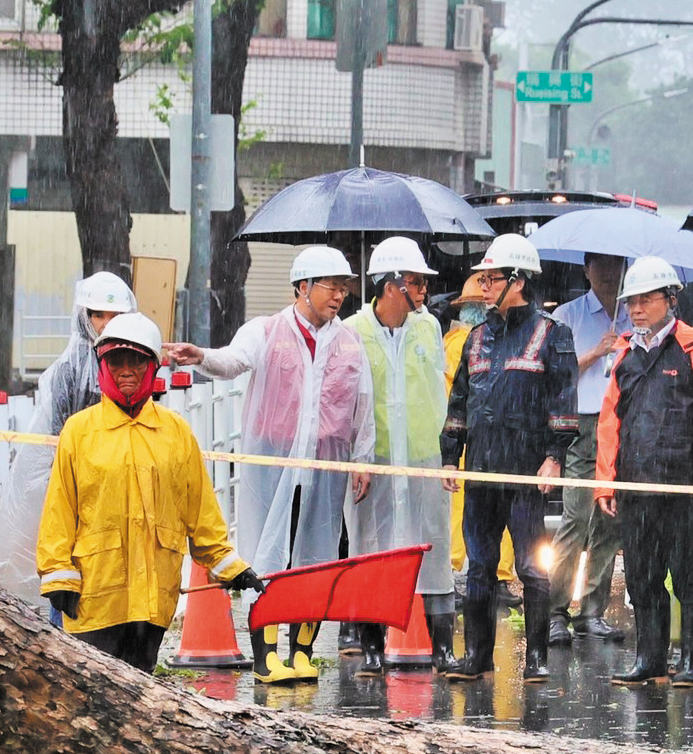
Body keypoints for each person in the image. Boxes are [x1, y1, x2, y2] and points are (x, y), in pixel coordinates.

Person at [168, 246, 373, 683]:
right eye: (330, 286)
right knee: (268, 555)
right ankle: (265, 655)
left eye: (343, 288)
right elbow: (233, 360)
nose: (339, 296)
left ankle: (302, 650)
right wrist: (201, 356)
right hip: (273, 465)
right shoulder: (265, 331)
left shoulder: (349, 342)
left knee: (315, 559)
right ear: (303, 287)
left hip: (325, 469)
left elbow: (363, 404)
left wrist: (363, 460)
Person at [36, 314, 262, 672]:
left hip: (153, 601)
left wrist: (230, 567)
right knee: (90, 700)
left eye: (136, 360)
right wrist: (58, 575)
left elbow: (201, 512)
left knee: (139, 705)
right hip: (94, 598)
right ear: (103, 365)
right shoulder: (78, 432)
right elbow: (59, 512)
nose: (126, 370)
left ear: (153, 366)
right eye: (116, 360)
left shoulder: (176, 433)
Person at [440, 233, 580, 683]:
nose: (482, 286)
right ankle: (478, 656)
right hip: (480, 469)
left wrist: (554, 457)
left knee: (531, 566)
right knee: (478, 566)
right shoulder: (476, 338)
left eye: (491, 278)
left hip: (525, 473)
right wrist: (449, 457)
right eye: (482, 278)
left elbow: (563, 399)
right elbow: (459, 402)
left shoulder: (552, 333)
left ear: (517, 281)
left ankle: (535, 658)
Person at [594, 256, 693, 687]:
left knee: (691, 575)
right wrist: (606, 480)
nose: (637, 308)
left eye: (646, 299)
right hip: (636, 486)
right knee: (642, 577)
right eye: (631, 301)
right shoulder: (624, 355)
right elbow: (609, 422)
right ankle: (650, 659)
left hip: (684, 486)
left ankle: (692, 660)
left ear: (670, 299)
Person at [0, 272, 135, 606]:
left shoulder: (131, 362)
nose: (106, 323)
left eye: (114, 315)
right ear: (84, 317)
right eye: (98, 315)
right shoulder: (70, 369)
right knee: (67, 565)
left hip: (117, 478)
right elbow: (58, 434)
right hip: (71, 479)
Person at [347, 237, 459, 674]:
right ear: (391, 285)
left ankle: (443, 648)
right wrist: (358, 457)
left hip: (422, 459)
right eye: (415, 281)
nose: (424, 290)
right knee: (372, 551)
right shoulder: (353, 332)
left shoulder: (428, 328)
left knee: (433, 547)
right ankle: (373, 647)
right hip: (372, 463)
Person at [546, 253, 630, 646]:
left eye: (616, 265)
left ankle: (592, 611)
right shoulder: (568, 315)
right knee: (576, 518)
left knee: (609, 522)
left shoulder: (634, 312)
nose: (609, 273)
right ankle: (554, 611)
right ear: (586, 269)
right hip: (581, 424)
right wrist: (598, 352)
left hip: (621, 425)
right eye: (601, 265)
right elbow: (558, 374)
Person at [442, 273, 520, 616]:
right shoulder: (468, 342)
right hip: (476, 439)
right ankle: (488, 576)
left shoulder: (457, 341)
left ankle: (470, 575)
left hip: (470, 439)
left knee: (470, 511)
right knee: (478, 511)